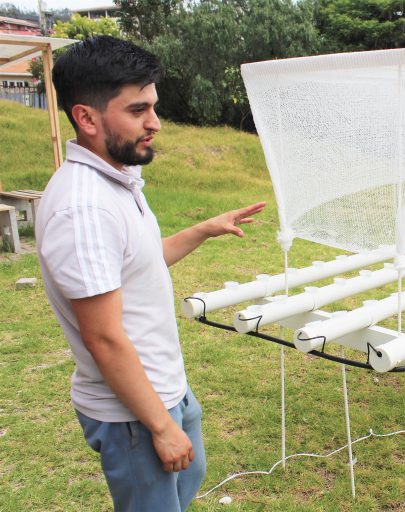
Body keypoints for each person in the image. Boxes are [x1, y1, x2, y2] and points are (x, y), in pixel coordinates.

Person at [35, 36, 266, 511]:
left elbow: (137, 264)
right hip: (133, 415)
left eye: (153, 107)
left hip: (163, 388)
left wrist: (203, 230)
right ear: (86, 118)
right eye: (138, 110)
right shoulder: (85, 208)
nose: (155, 123)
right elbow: (103, 338)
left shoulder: (116, 180)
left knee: (188, 479)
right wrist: (160, 426)